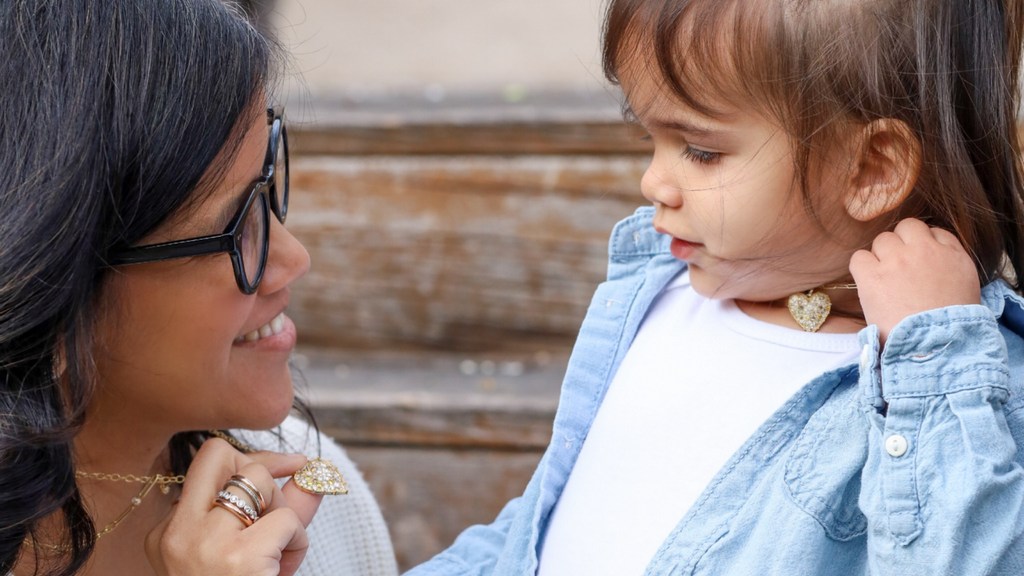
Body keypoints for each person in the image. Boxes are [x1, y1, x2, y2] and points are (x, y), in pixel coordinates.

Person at [408, 0, 1024, 574]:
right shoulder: (661, 293)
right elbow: (541, 527)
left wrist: (935, 365)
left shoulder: (959, 387)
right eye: (649, 136)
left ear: (871, 168)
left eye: (700, 151)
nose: (654, 181)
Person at [0, 1, 397, 575]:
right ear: (55, 281)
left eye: (270, 184)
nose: (293, 260)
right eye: (235, 228)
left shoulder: (310, 501)